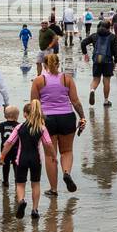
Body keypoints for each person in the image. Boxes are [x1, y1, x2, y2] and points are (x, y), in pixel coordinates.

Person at [30, 52, 86, 196]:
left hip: (47, 119)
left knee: (50, 155)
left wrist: (33, 123)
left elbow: (34, 104)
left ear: (44, 65)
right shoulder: (67, 79)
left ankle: (53, 189)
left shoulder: (38, 80)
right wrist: (82, 117)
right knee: (67, 151)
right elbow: (75, 102)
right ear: (58, 64)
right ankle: (66, 172)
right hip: (67, 117)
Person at [0, 99, 54, 220]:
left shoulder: (19, 127)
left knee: (20, 184)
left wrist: (2, 156)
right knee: (35, 184)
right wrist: (54, 156)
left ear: (24, 114)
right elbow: (48, 144)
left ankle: (22, 201)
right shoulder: (42, 128)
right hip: (36, 160)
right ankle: (35, 209)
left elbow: (9, 143)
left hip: (21, 159)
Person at [81, 21, 117, 107]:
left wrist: (85, 54)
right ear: (109, 27)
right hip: (108, 61)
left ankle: (92, 90)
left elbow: (83, 43)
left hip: (97, 60)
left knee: (96, 79)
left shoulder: (94, 35)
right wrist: (115, 61)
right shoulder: (112, 37)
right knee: (106, 81)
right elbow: (116, 51)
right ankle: (106, 101)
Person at [0, 104, 20, 190]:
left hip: (4, 149)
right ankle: (17, 180)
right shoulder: (18, 125)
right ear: (17, 116)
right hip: (16, 149)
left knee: (5, 165)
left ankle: (5, 181)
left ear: (5, 115)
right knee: (16, 165)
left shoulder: (2, 125)